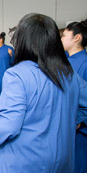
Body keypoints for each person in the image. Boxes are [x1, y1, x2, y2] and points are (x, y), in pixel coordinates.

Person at [0, 13, 87, 172]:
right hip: (60, 157)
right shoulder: (69, 73)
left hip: (26, 160)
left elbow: (6, 126)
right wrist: (71, 120)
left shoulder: (18, 74)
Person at [61, 19, 87, 173]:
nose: (62, 39)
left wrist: (79, 120)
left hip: (78, 129)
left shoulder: (84, 63)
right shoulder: (66, 61)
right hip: (64, 124)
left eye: (64, 35)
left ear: (77, 38)